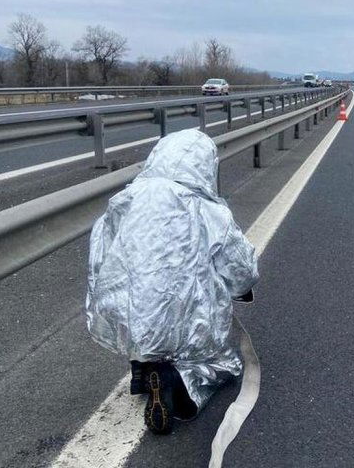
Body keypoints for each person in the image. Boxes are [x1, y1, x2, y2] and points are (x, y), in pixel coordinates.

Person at [86, 129, 259, 435]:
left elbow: (99, 258)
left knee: (144, 316)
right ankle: (181, 385)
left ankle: (143, 366)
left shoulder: (122, 201)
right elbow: (239, 267)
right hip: (182, 323)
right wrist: (241, 289)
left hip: (124, 314)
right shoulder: (208, 210)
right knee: (221, 362)